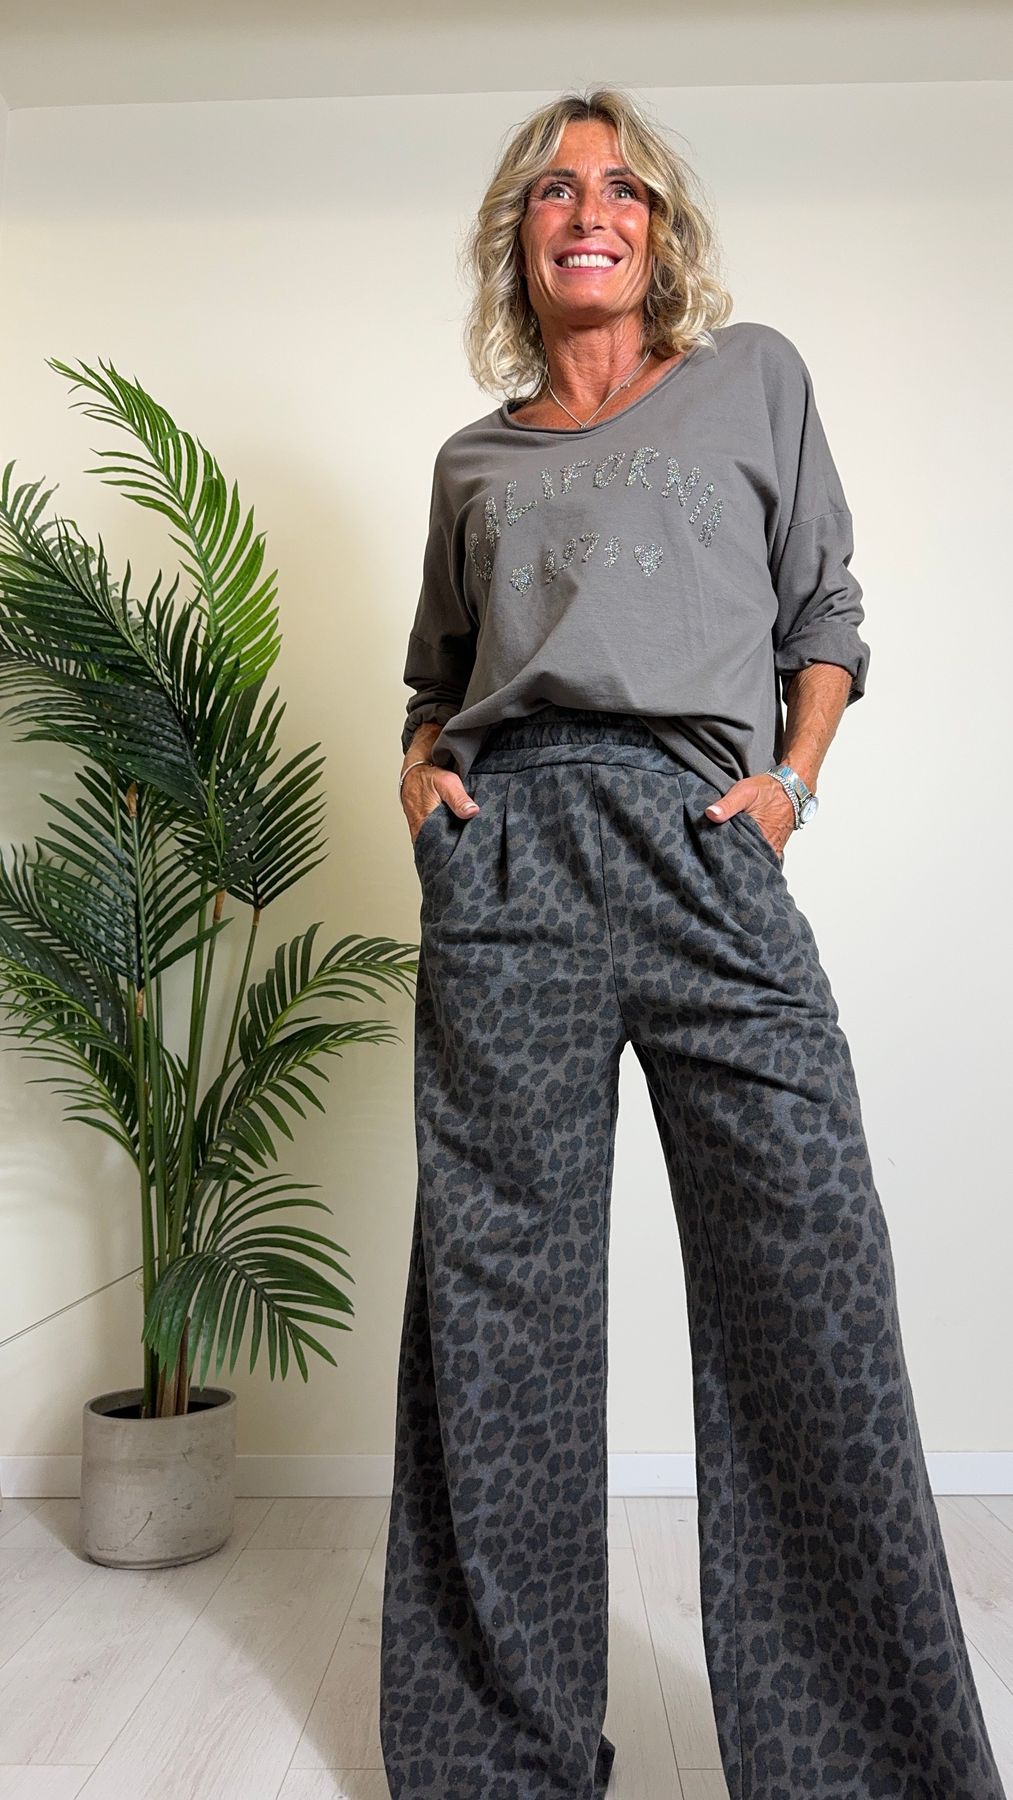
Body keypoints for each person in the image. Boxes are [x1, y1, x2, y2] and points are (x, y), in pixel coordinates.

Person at [380, 86, 1007, 1800]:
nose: (589, 208)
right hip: (511, 859)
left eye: (622, 187)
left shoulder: (753, 379)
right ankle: (495, 1758)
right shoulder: (473, 460)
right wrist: (422, 782)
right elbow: (434, 680)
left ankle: (858, 1766)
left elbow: (825, 613)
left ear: (659, 232)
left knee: (808, 1283)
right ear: (516, 237)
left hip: (699, 838)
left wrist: (788, 786)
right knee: (500, 1322)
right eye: (552, 189)